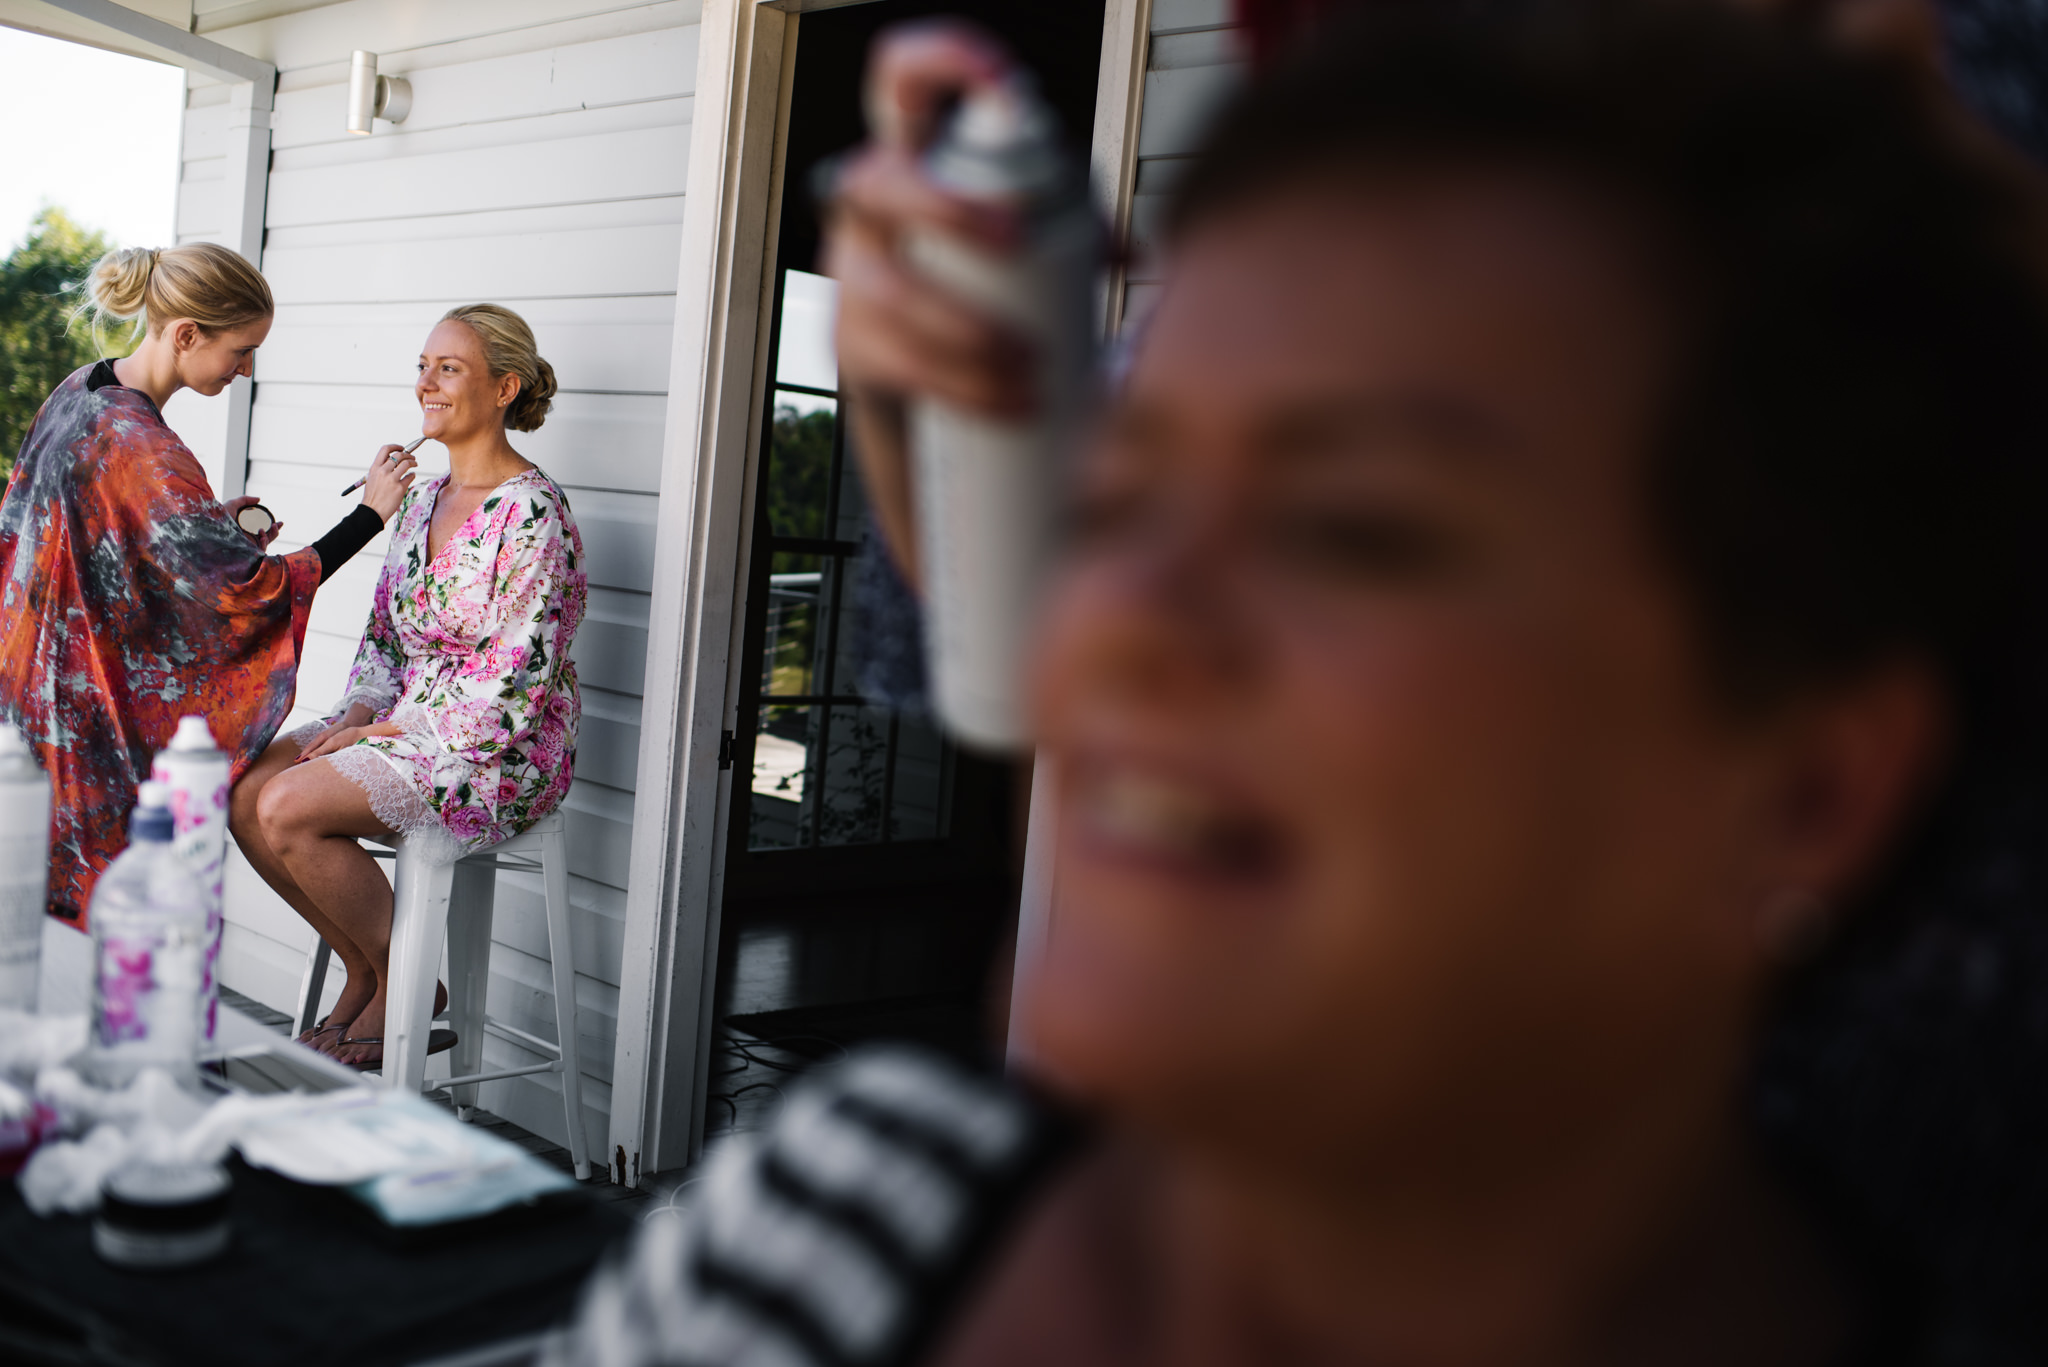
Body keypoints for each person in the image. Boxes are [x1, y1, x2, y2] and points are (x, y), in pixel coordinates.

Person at [546, 6, 2048, 1365]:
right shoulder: (828, 1226)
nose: (1117, 621)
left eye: (1355, 531)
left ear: (1804, 785)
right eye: (1116, 500)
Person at [0, 243, 415, 926]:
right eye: (241, 350)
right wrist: (370, 514)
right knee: (95, 915)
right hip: (78, 723)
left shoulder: (81, 391)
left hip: (26, 693)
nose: (247, 368)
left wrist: (203, 529)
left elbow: (91, 544)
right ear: (187, 334)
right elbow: (253, 590)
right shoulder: (142, 443)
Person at [230, 304, 586, 1068]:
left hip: (496, 748)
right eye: (423, 365)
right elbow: (385, 638)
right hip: (397, 721)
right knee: (245, 787)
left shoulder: (535, 514)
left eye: (448, 368)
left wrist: (376, 734)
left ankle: (412, 983)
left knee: (288, 805)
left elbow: (513, 686)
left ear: (504, 388)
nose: (425, 382)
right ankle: (372, 965)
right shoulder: (419, 501)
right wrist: (353, 714)